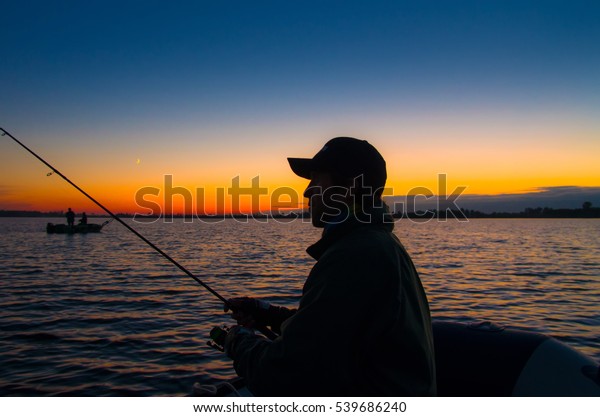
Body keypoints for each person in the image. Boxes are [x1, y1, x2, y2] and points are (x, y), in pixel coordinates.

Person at [221, 137, 436, 396]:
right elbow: (334, 328)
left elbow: (284, 375)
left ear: (348, 187)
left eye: (316, 179)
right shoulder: (378, 243)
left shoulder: (355, 255)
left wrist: (237, 341)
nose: (307, 191)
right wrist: (267, 314)